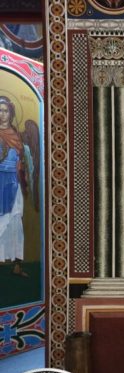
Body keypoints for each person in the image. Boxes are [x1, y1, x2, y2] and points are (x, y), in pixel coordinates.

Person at [0, 96, 35, 277]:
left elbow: (24, 160)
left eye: (5, 110)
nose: (2, 114)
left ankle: (16, 264)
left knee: (15, 221)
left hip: (14, 182)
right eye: (0, 111)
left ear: (11, 113)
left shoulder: (18, 136)